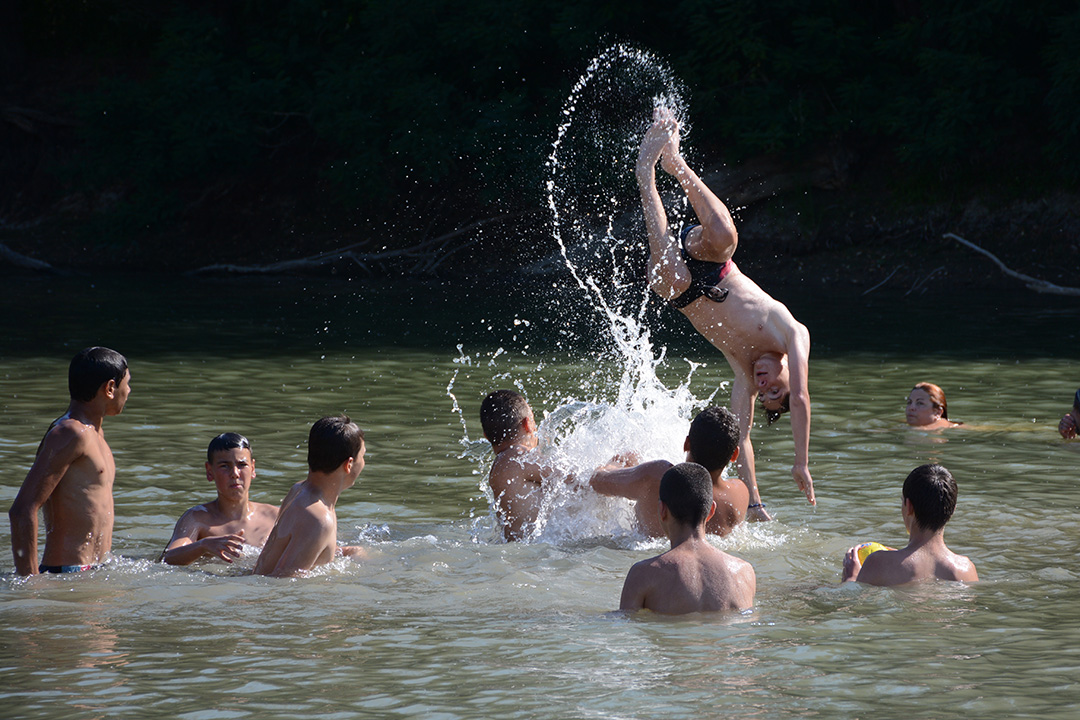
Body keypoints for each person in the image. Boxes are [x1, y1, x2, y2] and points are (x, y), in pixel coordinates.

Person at [636, 107, 813, 521]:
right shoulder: (791, 333)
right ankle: (674, 162)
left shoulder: (742, 372)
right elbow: (802, 399)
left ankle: (645, 175)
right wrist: (801, 462)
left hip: (682, 286)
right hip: (713, 260)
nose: (765, 386)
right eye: (776, 391)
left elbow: (742, 439)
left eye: (765, 394)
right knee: (727, 235)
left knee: (668, 279)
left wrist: (754, 501)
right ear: (789, 374)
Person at [8, 347, 131, 575]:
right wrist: (31, 586)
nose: (130, 390)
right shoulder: (69, 433)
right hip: (67, 573)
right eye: (128, 383)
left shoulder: (95, 433)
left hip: (95, 571)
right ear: (111, 388)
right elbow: (22, 510)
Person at [590, 406, 749, 537]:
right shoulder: (740, 493)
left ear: (687, 443)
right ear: (735, 454)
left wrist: (618, 461)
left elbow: (596, 481)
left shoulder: (658, 476)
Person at [619, 462, 756, 614]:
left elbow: (624, 624)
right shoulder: (744, 572)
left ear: (662, 510)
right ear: (711, 510)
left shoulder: (643, 574)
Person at [253, 416, 366, 577]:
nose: (363, 463)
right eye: (363, 456)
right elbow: (281, 584)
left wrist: (347, 551)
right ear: (348, 465)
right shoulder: (319, 519)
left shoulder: (299, 490)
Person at [842, 463, 978, 585]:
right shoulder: (966, 569)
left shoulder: (878, 563)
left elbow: (854, 606)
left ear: (908, 506)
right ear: (953, 510)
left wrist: (851, 580)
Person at [161, 433, 280, 565]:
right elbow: (167, 558)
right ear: (209, 471)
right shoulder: (197, 519)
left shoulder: (276, 517)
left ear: (252, 468)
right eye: (224, 466)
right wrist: (203, 546)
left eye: (242, 465)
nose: (235, 473)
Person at [480, 389, 551, 541]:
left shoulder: (501, 463)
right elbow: (578, 479)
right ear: (528, 424)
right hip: (535, 555)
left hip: (518, 556)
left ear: (486, 436)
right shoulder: (518, 456)